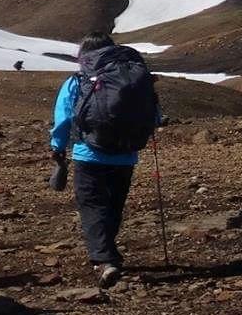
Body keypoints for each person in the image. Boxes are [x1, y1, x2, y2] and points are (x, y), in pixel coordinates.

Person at [50, 33, 161, 285]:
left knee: (92, 206)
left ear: (84, 56)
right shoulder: (134, 78)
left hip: (89, 153)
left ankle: (104, 261)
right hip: (126, 155)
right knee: (113, 206)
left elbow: (64, 118)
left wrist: (57, 147)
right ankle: (108, 252)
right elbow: (155, 115)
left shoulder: (78, 80)